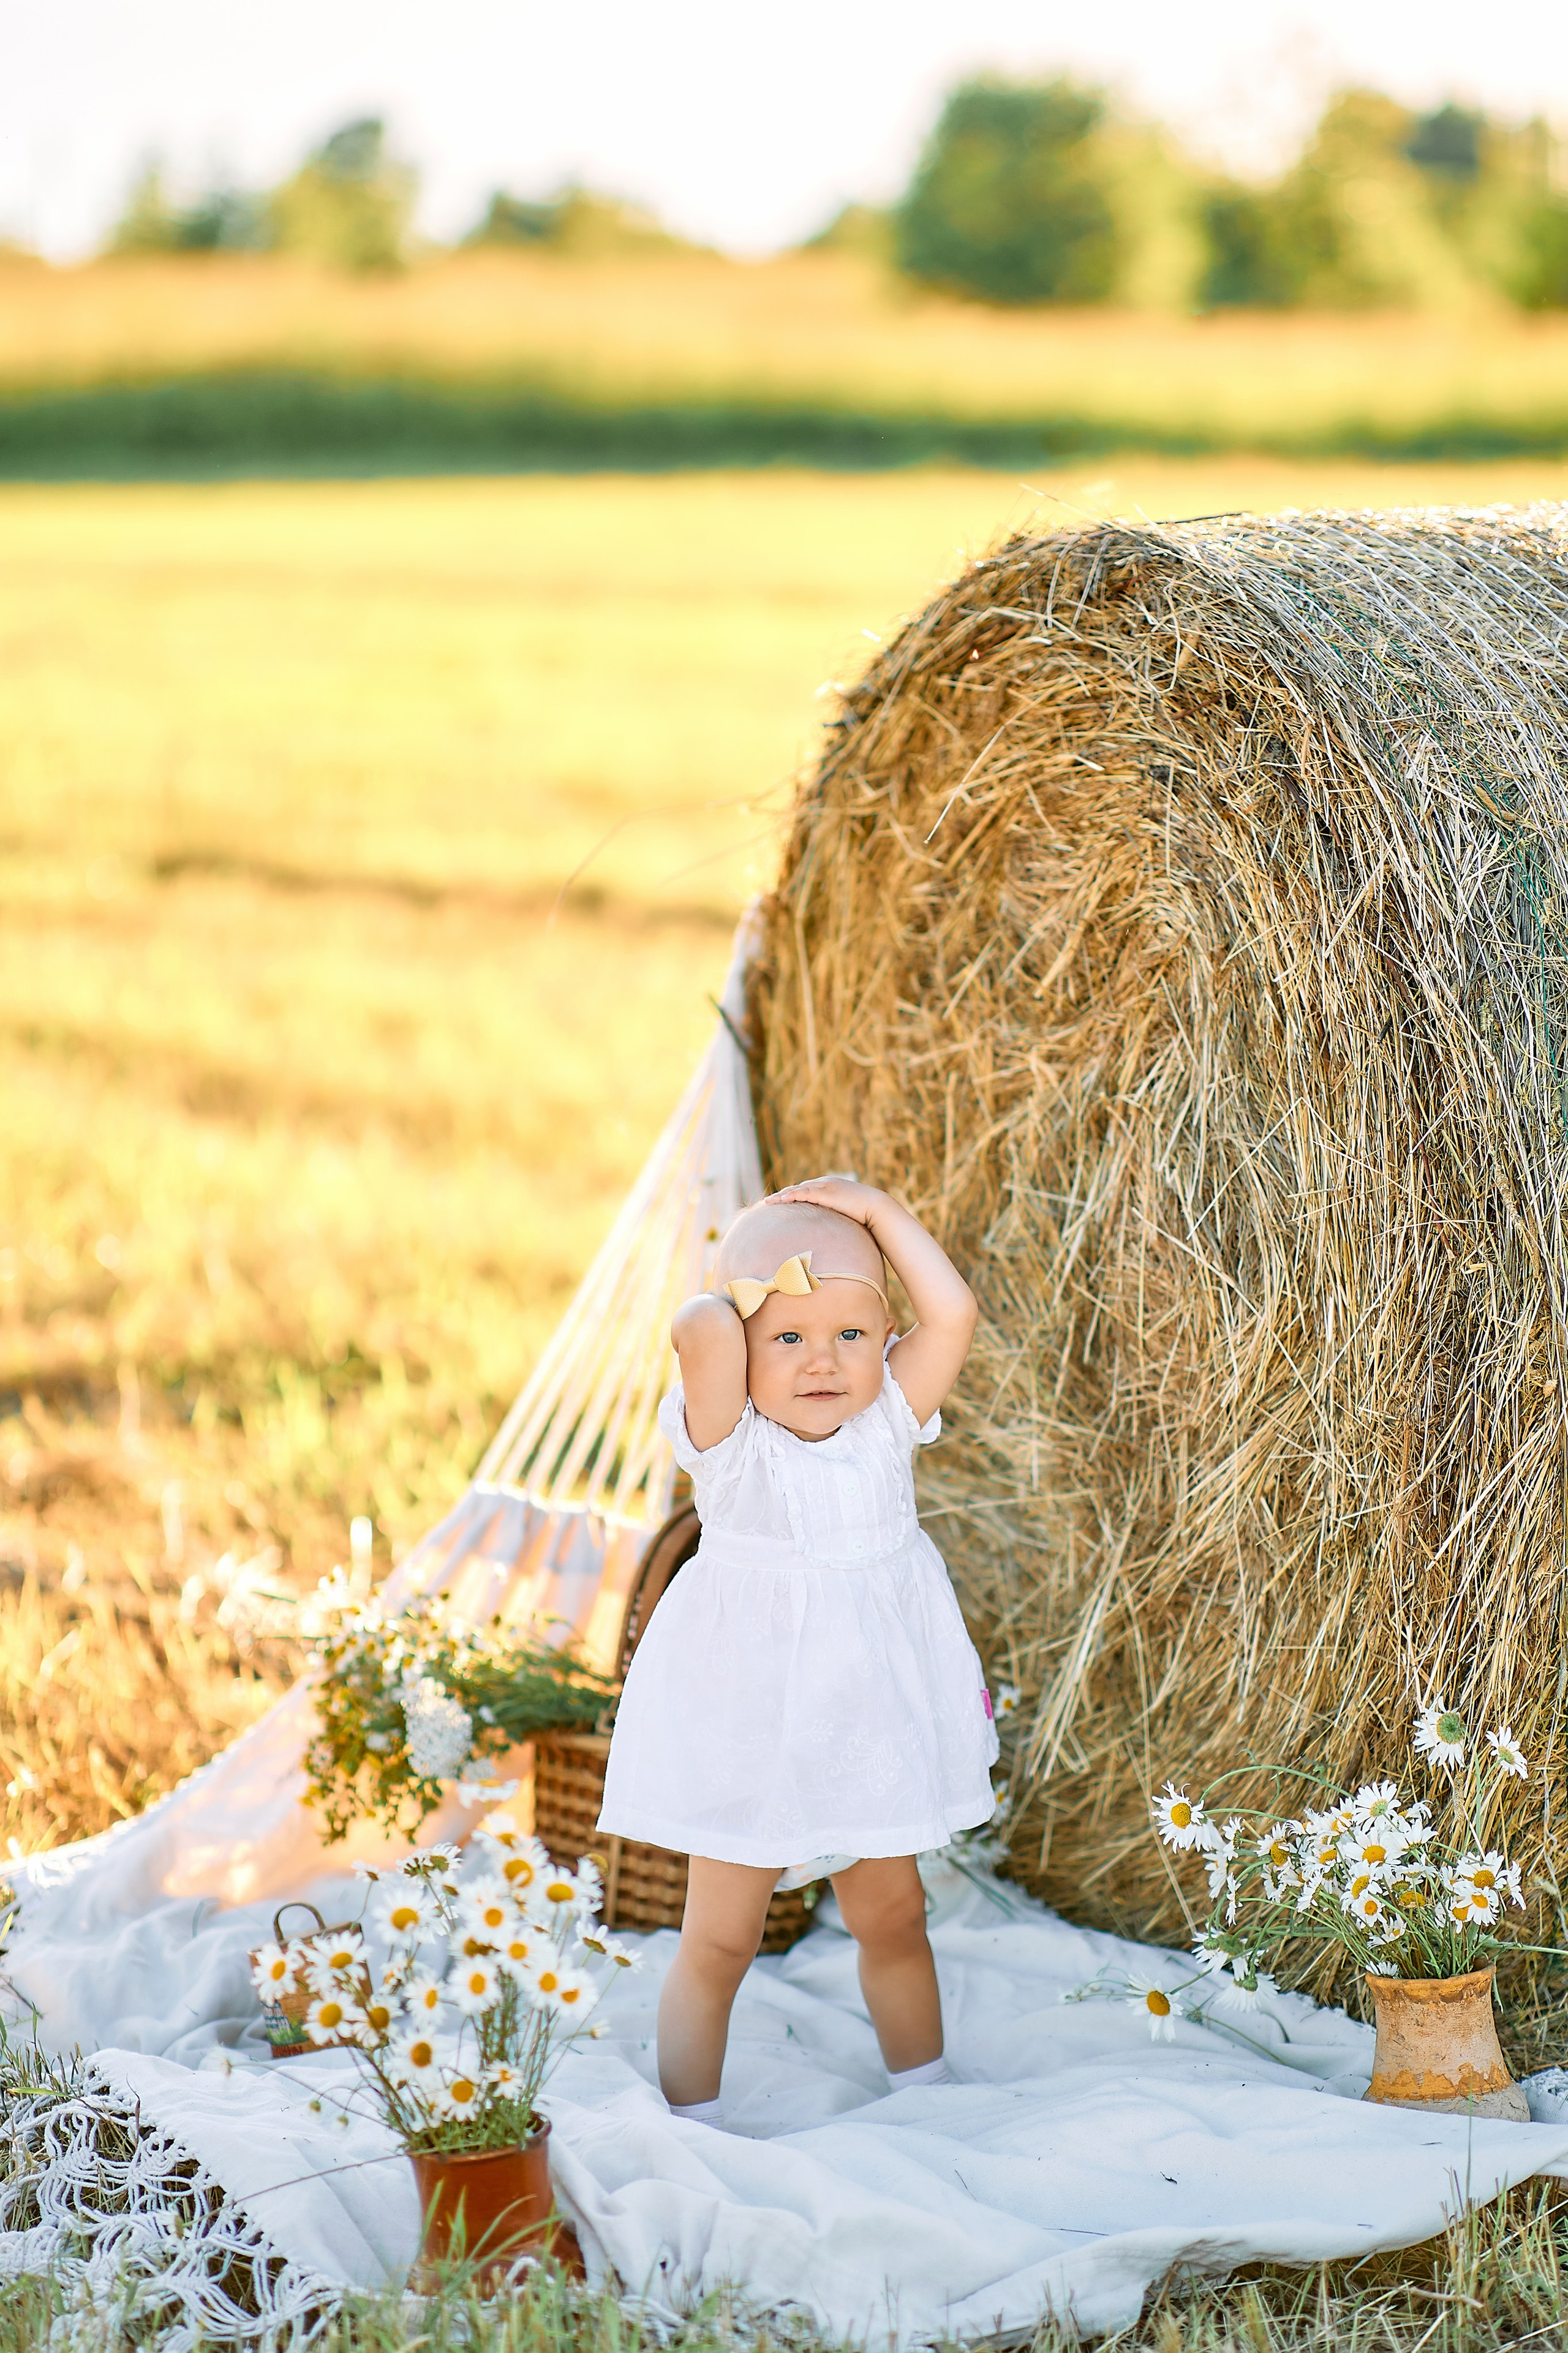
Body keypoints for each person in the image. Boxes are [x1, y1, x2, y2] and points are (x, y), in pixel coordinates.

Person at [598, 1172, 998, 2128]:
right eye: (787, 1337)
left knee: (894, 1917)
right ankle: (692, 2117)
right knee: (720, 1938)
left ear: (885, 1339)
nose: (823, 1360)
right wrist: (734, 1293)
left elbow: (953, 1313)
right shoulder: (732, 1447)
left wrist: (879, 1212)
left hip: (866, 1729)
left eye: (851, 1334)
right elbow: (697, 1329)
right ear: (742, 1345)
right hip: (755, 1736)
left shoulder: (885, 1424)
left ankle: (927, 2090)